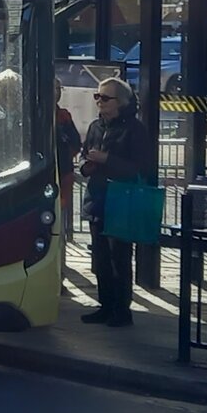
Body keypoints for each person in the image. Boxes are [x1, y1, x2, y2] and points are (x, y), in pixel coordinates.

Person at [80, 77, 150, 328]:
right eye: (97, 97)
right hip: (98, 198)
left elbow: (139, 168)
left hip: (121, 200)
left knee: (119, 257)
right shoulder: (95, 127)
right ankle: (105, 305)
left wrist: (107, 159)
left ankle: (122, 310)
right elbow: (85, 154)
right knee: (100, 258)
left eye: (105, 98)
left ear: (121, 102)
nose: (100, 102)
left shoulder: (134, 129)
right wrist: (86, 165)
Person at [55, 78, 82, 241]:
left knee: (61, 221)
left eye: (58, 88)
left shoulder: (64, 116)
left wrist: (65, 156)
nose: (56, 92)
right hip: (43, 174)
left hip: (63, 174)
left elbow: (76, 143)